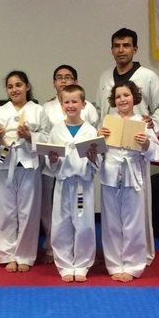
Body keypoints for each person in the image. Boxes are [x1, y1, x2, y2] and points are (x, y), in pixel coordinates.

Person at [96, 28, 159, 264]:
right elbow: (101, 113)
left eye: (126, 45)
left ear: (135, 49)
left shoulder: (147, 76)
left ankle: (141, 254)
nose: (121, 50)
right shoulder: (104, 77)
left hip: (135, 149)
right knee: (110, 209)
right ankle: (113, 255)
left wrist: (151, 125)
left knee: (137, 208)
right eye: (117, 46)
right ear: (112, 50)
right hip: (110, 151)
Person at [0, 71, 49, 272]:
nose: (14, 89)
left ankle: (25, 255)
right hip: (5, 162)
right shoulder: (0, 111)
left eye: (18, 85)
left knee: (28, 211)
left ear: (27, 87)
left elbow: (47, 136)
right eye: (10, 86)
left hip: (28, 163)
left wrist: (29, 136)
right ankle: (7, 254)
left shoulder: (38, 110)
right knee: (5, 211)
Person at [98, 81, 159, 282]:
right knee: (111, 222)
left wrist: (146, 144)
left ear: (134, 97)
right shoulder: (107, 122)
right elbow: (96, 152)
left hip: (133, 175)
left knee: (133, 222)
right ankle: (114, 264)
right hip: (110, 175)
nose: (122, 100)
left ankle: (133, 265)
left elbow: (157, 153)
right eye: (118, 97)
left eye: (126, 95)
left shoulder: (143, 123)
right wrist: (99, 138)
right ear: (113, 101)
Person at [41, 65, 98, 264]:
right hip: (63, 183)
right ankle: (64, 263)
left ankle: (82, 263)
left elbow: (98, 160)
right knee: (61, 223)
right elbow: (50, 157)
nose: (71, 105)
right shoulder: (56, 130)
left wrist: (93, 158)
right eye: (67, 102)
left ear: (83, 104)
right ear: (62, 105)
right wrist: (53, 160)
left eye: (75, 101)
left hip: (83, 183)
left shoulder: (91, 131)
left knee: (84, 224)